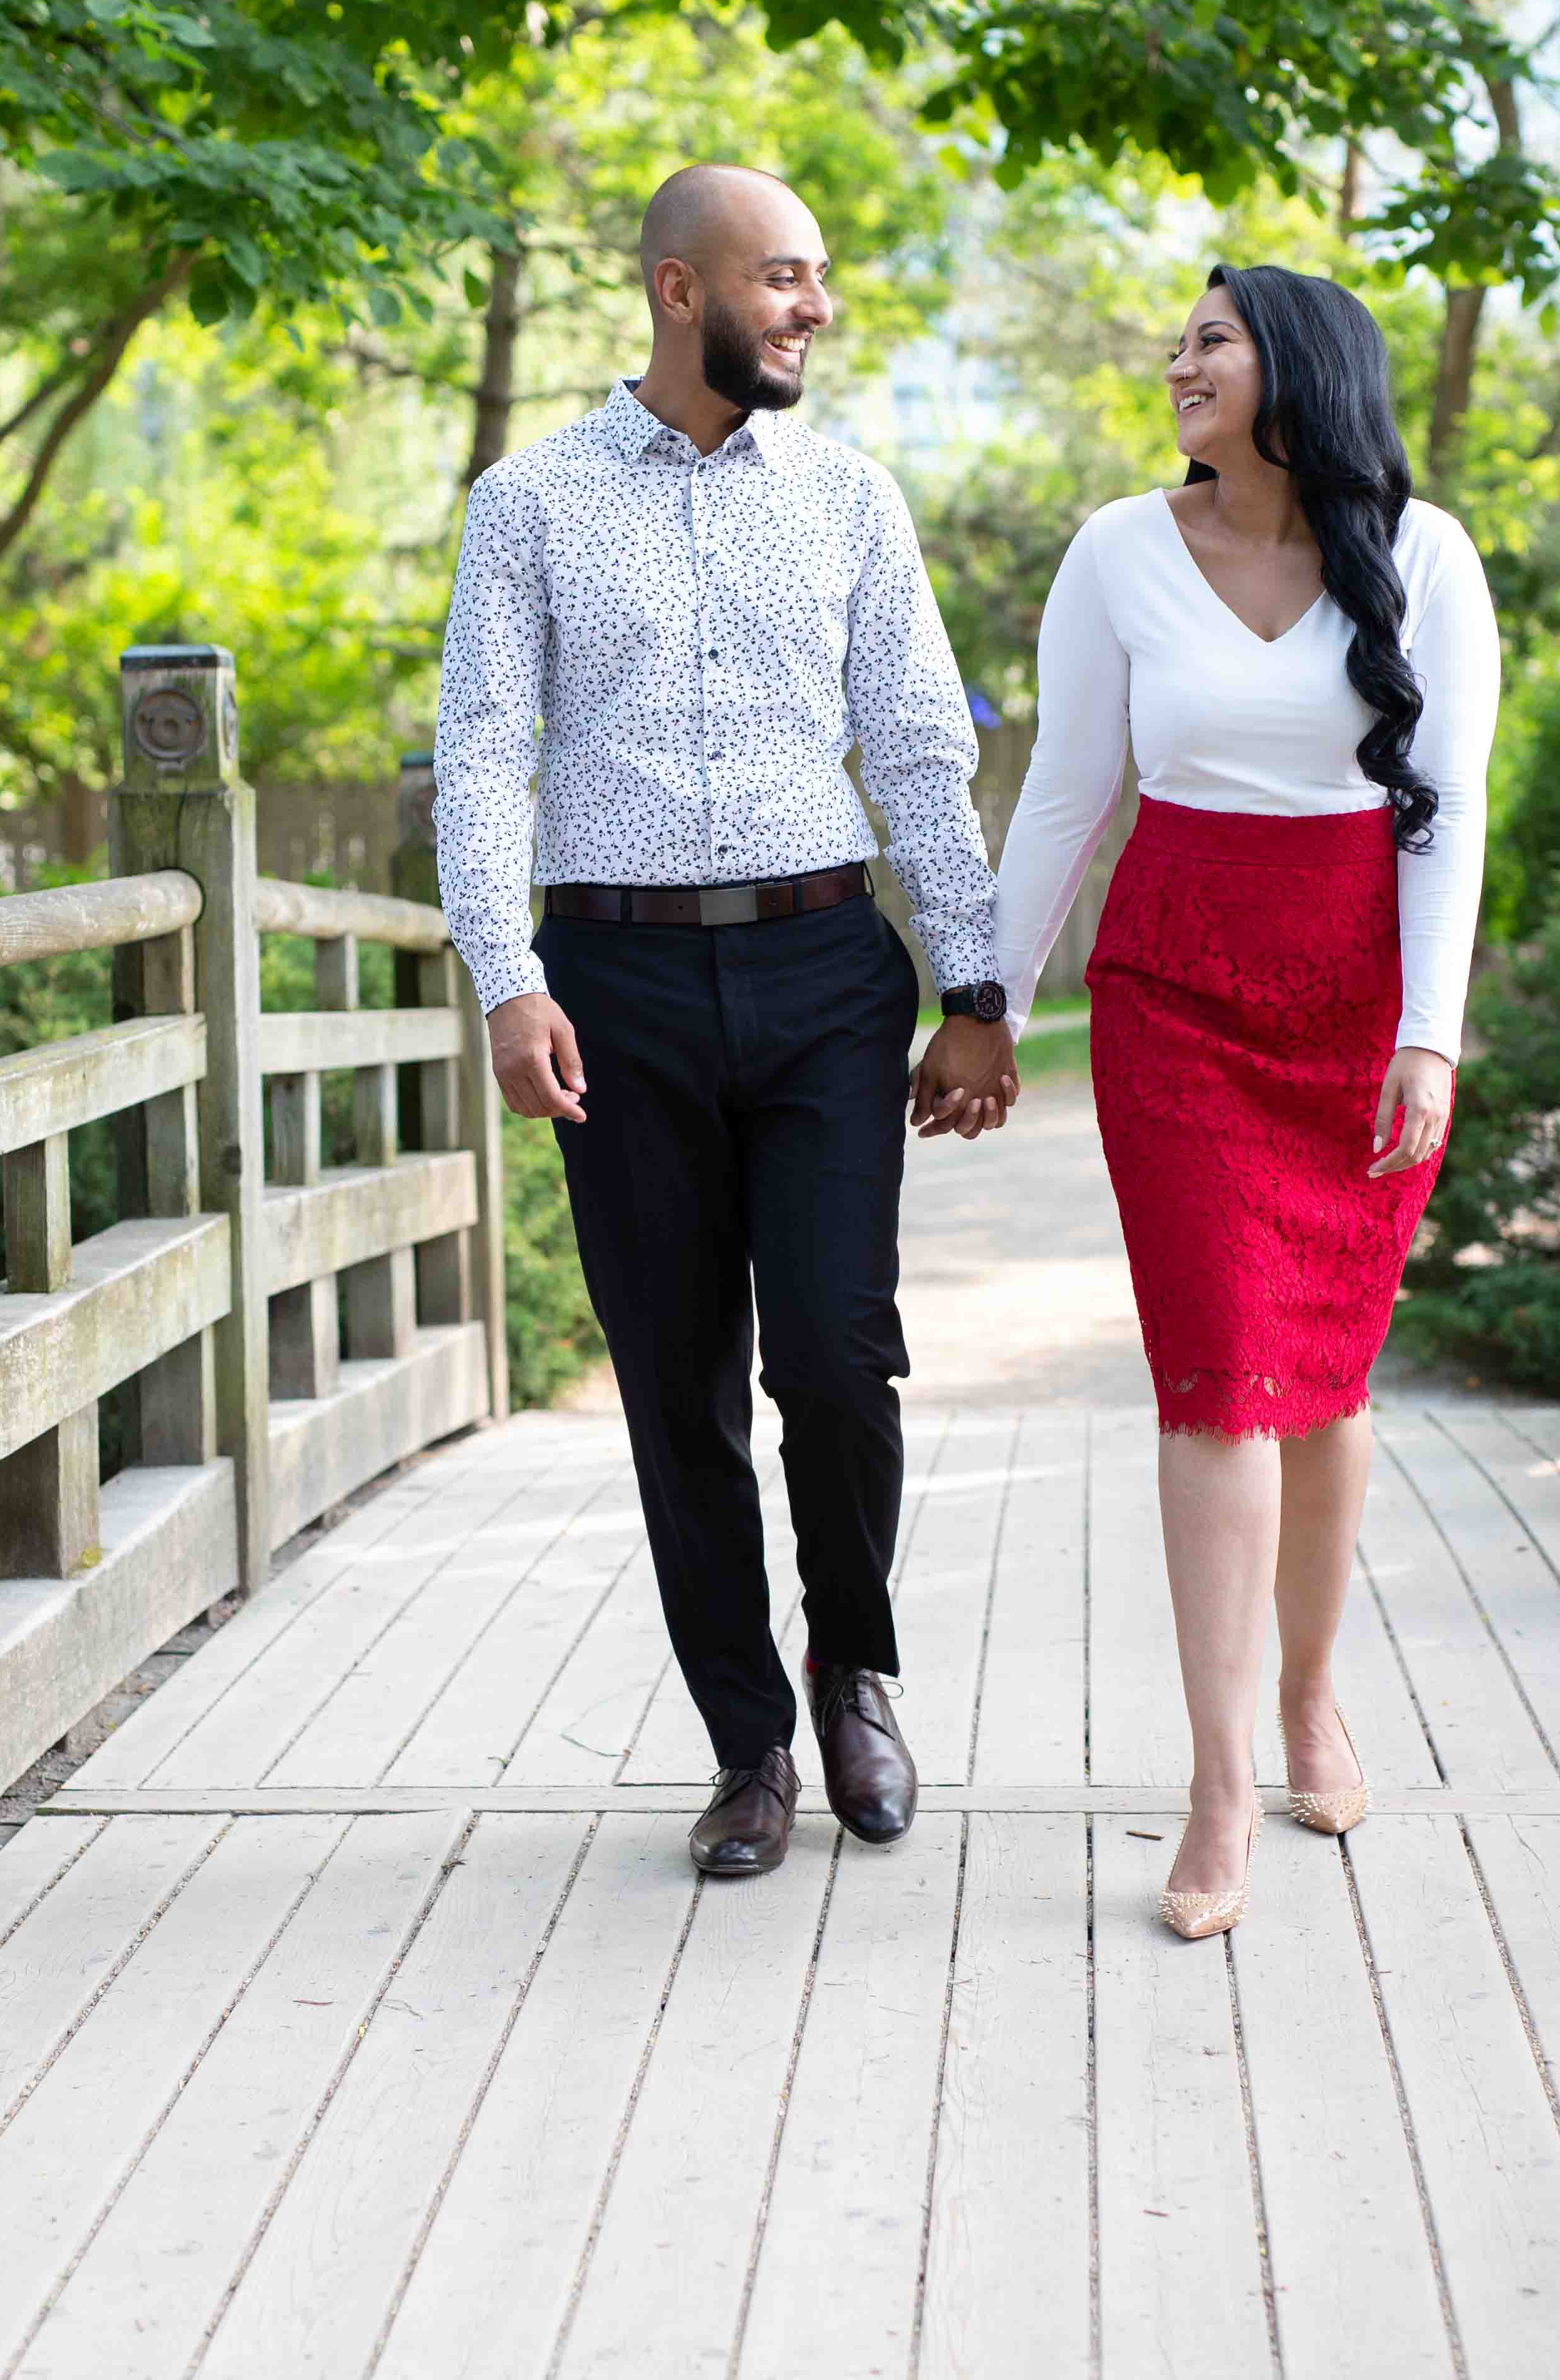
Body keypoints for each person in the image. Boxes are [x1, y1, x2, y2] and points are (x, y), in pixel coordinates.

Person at [433, 164, 1021, 1880]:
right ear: (680, 292)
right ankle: (749, 1741)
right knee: (675, 1390)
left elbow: (920, 747)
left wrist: (973, 987)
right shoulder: (527, 504)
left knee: (835, 1360)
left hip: (827, 972)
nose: (815, 307)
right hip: (614, 992)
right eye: (784, 278)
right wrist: (505, 971)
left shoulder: (849, 499)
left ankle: (857, 1669)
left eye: (818, 277)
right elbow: (482, 750)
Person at [988, 264, 1500, 1937]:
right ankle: (1219, 1784)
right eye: (1180, 340)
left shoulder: (1424, 556)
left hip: (1359, 1007)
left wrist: (1430, 1030)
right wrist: (986, 1000)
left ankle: (1308, 1697)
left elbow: (1449, 813)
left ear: (1297, 364)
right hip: (1177, 996)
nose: (1178, 361)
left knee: (1326, 1380)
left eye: (1210, 338)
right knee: (1219, 1376)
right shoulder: (1118, 551)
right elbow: (1069, 791)